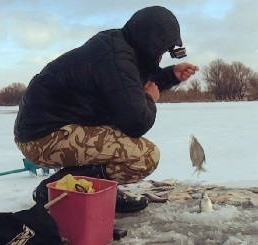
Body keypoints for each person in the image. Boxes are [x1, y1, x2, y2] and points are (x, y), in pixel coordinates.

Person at [13, 6, 198, 213]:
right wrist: (149, 99)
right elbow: (137, 121)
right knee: (144, 156)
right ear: (149, 44)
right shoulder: (116, 59)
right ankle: (58, 188)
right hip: (43, 138)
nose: (160, 57)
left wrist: (171, 75)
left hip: (48, 129)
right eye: (160, 51)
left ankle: (92, 187)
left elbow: (129, 87)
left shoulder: (118, 48)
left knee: (124, 142)